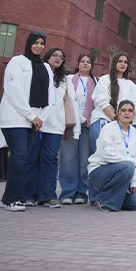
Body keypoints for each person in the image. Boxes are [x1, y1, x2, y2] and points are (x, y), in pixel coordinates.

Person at [0, 31, 54, 212]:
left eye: (42, 43)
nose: (39, 46)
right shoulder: (17, 62)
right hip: (15, 119)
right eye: (36, 42)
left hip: (35, 122)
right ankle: (14, 199)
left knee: (24, 160)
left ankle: (8, 198)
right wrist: (31, 115)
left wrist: (41, 118)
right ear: (29, 43)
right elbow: (14, 91)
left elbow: (50, 95)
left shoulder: (46, 67)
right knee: (19, 158)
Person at [89, 51, 136, 205]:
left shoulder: (130, 84)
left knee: (117, 158)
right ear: (114, 63)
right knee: (101, 159)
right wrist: (116, 120)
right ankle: (94, 197)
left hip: (122, 125)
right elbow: (102, 101)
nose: (123, 64)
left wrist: (123, 122)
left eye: (125, 62)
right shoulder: (104, 80)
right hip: (103, 120)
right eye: (120, 61)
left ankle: (108, 196)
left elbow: (133, 104)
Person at [35, 47, 80, 207]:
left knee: (50, 160)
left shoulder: (65, 80)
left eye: (61, 57)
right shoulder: (38, 72)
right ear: (47, 56)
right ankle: (29, 195)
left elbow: (72, 102)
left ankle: (48, 196)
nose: (58, 58)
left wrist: (75, 128)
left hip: (55, 126)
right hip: (36, 123)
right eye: (54, 55)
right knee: (32, 159)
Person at [87, 100, 136, 212]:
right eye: (123, 110)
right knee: (128, 165)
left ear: (134, 114)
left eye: (130, 111)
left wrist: (134, 182)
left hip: (123, 173)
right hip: (99, 171)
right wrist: (132, 162)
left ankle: (107, 199)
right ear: (118, 113)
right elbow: (107, 155)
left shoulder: (135, 132)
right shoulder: (108, 128)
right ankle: (106, 201)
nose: (127, 113)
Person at [59, 53, 96, 205]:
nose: (85, 64)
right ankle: (67, 193)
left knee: (84, 161)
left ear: (92, 65)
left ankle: (81, 192)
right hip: (71, 124)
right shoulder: (68, 79)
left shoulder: (96, 82)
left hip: (87, 125)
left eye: (88, 62)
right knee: (68, 159)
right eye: (82, 61)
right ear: (77, 64)